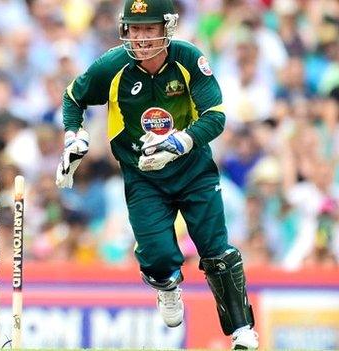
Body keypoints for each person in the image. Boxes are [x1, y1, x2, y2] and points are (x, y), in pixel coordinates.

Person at [55, 0, 258, 349]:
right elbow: (74, 98)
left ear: (167, 28)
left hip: (193, 170)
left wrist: (181, 141)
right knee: (158, 257)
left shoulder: (189, 59)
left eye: (150, 29)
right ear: (124, 30)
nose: (142, 38)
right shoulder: (113, 65)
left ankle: (242, 330)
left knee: (216, 252)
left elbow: (216, 115)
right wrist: (74, 136)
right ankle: (166, 286)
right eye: (135, 29)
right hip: (143, 174)